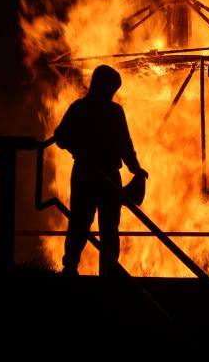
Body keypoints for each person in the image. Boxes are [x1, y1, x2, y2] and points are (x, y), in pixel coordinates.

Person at [54, 64, 148, 277]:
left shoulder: (82, 108)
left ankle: (85, 268)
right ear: (101, 86)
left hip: (91, 174)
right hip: (94, 175)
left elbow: (125, 143)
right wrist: (134, 168)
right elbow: (61, 136)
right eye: (111, 88)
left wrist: (136, 168)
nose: (112, 93)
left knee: (97, 223)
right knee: (88, 222)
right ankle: (88, 269)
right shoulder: (107, 111)